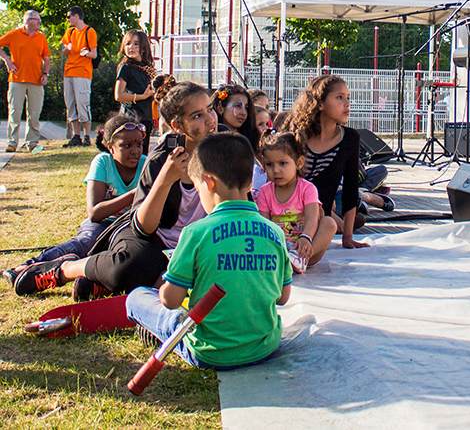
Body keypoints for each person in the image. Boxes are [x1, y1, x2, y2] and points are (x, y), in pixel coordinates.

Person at [14, 75, 219, 300]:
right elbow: (145, 228)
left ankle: (102, 284)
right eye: (197, 116)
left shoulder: (224, 153)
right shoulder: (161, 160)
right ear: (177, 126)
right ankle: (66, 269)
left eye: (210, 109)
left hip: (198, 243)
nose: (210, 119)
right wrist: (166, 180)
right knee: (129, 268)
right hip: (154, 240)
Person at [125, 132, 291, 370]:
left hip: (209, 353)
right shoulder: (275, 232)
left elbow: (170, 300)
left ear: (209, 182)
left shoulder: (196, 232)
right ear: (251, 183)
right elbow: (283, 297)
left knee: (136, 297)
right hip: (264, 348)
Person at [9, 114, 146, 293]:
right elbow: (95, 213)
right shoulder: (103, 162)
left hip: (129, 227)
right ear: (111, 148)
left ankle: (92, 281)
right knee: (86, 242)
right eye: (126, 146)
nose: (135, 151)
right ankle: (30, 267)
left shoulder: (146, 165)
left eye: (139, 144)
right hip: (102, 224)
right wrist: (133, 195)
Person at [287, 75, 369, 248]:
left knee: (328, 223)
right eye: (339, 97)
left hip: (319, 221)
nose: (347, 103)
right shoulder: (297, 136)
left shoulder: (350, 138)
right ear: (320, 103)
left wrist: (348, 237)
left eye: (348, 98)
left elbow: (350, 188)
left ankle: (300, 257)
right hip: (287, 216)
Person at [255, 131, 337, 272]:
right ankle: (284, 260)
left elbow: (312, 217)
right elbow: (265, 224)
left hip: (306, 247)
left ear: (299, 163)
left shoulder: (307, 189)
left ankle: (299, 258)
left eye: (283, 163)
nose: (276, 170)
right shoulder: (264, 191)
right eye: (269, 165)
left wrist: (306, 238)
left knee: (329, 223)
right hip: (278, 249)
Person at [0, 10, 50, 153]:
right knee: (15, 112)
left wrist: (45, 74)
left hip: (36, 81)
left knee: (34, 113)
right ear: (28, 21)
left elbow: (46, 59)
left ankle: (32, 143)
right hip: (17, 79)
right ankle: (12, 142)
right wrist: (7, 61)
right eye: (37, 20)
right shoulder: (14, 34)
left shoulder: (41, 37)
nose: (39, 23)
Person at [114, 29, 157, 153]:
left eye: (136, 44)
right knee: (133, 155)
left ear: (143, 47)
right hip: (131, 119)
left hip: (146, 118)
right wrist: (141, 96)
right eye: (128, 43)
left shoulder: (148, 69)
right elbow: (118, 95)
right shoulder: (126, 67)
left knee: (143, 156)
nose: (131, 47)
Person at [61, 6, 98, 147]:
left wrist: (86, 53)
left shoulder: (89, 31)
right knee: (70, 104)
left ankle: (87, 136)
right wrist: (67, 49)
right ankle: (76, 136)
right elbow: (65, 53)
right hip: (68, 72)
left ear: (76, 16)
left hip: (82, 73)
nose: (68, 19)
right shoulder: (69, 32)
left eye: (69, 17)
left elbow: (94, 54)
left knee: (82, 104)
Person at [210, 84, 261, 151]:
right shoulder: (210, 139)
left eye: (246, 107)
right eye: (237, 106)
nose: (244, 113)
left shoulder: (251, 140)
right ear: (220, 108)